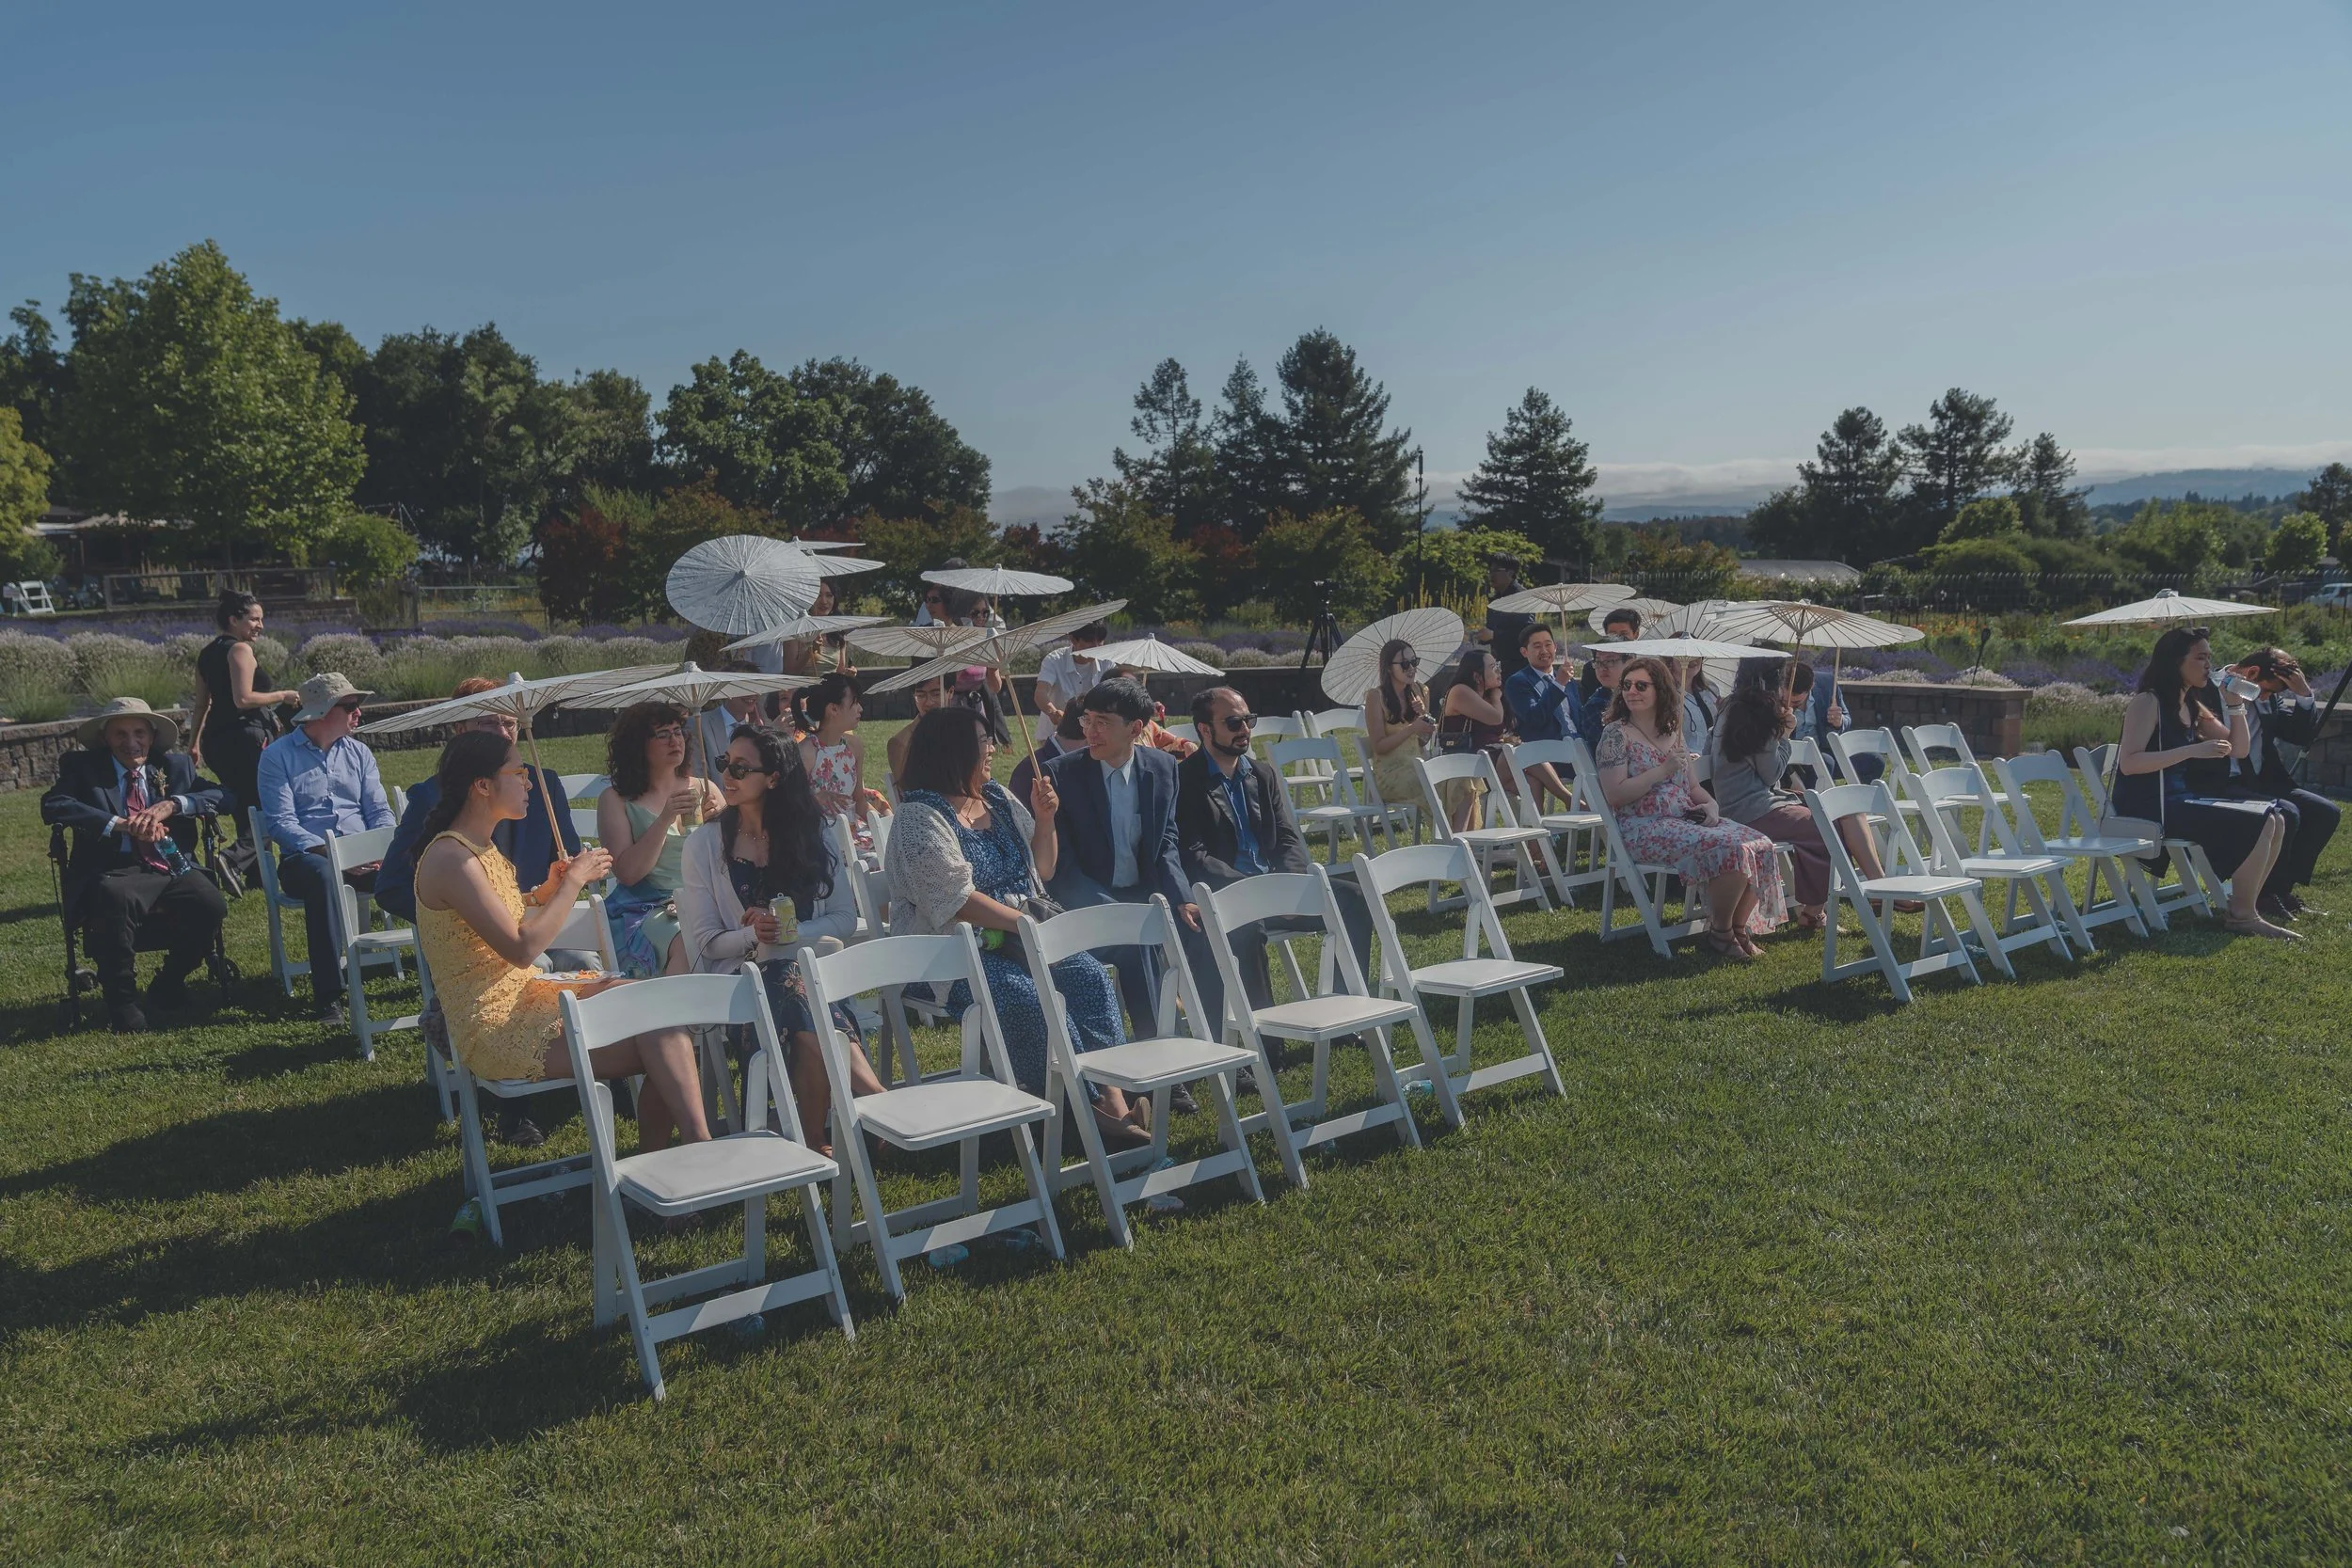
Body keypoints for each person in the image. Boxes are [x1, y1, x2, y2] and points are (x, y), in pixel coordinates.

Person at [411, 730, 709, 1152]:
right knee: (660, 1040)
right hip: (494, 1024)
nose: (529, 782)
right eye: (518, 772)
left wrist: (544, 892)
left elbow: (500, 916)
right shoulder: (452, 859)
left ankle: (673, 1160)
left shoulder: (477, 848)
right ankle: (692, 1153)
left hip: (527, 996)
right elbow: (521, 947)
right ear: (482, 786)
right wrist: (572, 882)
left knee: (656, 1006)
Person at [885, 705, 1151, 1150]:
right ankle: (1075, 1110)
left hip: (1024, 938)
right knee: (1030, 1000)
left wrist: (1045, 820)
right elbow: (957, 902)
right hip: (954, 953)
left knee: (1089, 979)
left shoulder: (998, 800)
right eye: (981, 739)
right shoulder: (919, 819)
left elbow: (1041, 870)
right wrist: (1027, 924)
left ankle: (1113, 1102)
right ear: (952, 750)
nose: (991, 747)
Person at [677, 723, 882, 1153]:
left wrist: (791, 933)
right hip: (742, 988)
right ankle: (877, 1105)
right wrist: (754, 934)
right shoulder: (704, 844)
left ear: (773, 777)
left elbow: (845, 918)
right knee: (799, 993)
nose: (726, 777)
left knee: (801, 996)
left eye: (740, 767)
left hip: (813, 978)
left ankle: (813, 1140)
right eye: (723, 765)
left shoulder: (814, 832)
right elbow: (708, 944)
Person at [1176, 686, 1376, 1033]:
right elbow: (1195, 856)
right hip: (1230, 894)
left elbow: (1286, 838)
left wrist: (1292, 883)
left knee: (1355, 900)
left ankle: (1348, 1018)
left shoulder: (1261, 774)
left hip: (1276, 888)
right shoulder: (1185, 781)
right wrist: (1260, 890)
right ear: (1204, 730)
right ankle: (1267, 1040)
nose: (1245, 730)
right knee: (1248, 927)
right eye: (1234, 722)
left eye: (1248, 720)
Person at [40, 697, 230, 1032]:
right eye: (120, 734)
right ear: (105, 739)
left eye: (139, 733)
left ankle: (170, 981)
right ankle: (122, 1000)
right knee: (114, 896)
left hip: (170, 863)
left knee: (211, 904)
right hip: (115, 866)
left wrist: (174, 803)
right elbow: (54, 804)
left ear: (153, 736)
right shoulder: (84, 770)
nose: (131, 743)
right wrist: (119, 823)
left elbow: (225, 796)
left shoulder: (175, 768)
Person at [1594, 655, 1788, 959]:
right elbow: (1615, 795)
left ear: (1660, 689)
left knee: (1759, 843)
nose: (1632, 691)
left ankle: (1737, 928)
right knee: (1730, 848)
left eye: (1641, 685)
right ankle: (1720, 933)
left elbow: (1694, 788)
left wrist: (1711, 807)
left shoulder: (1673, 730)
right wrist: (1662, 770)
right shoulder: (1616, 735)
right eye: (1627, 685)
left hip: (1685, 818)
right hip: (1642, 826)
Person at [2112, 626, 2294, 940]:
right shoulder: (2148, 702)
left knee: (2275, 815)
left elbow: (2238, 749)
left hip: (2179, 799)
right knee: (2263, 820)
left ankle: (2244, 909)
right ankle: (2243, 915)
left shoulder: (2192, 705)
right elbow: (2129, 763)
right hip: (2149, 805)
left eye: (2209, 657)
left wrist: (2235, 705)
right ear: (2175, 662)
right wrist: (2192, 750)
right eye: (2200, 657)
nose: (2209, 664)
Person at [1043, 677, 1199, 1035]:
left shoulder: (1162, 768)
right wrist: (1114, 910)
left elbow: (1166, 844)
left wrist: (1183, 898)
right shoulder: (1062, 774)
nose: (1091, 732)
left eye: (1103, 723)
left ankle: (1227, 1039)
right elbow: (1063, 869)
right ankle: (1162, 1048)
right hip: (1083, 898)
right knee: (1136, 937)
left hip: (1145, 892)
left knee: (1203, 928)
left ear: (1136, 729)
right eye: (1087, 721)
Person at [376, 678, 581, 926]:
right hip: (480, 944)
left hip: (544, 921)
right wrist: (462, 920)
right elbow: (392, 888)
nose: (504, 734)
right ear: (460, 729)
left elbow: (567, 858)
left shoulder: (543, 785)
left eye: (509, 723)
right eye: (489, 723)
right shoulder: (430, 796)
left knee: (585, 960)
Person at [256, 673, 397, 1022]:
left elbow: (379, 810)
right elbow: (282, 824)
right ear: (321, 713)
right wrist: (338, 857)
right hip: (306, 861)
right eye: (350, 706)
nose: (359, 713)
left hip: (366, 857)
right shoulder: (277, 757)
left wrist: (379, 849)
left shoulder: (360, 753)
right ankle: (329, 996)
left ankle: (437, 969)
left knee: (418, 873)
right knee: (323, 877)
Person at [1706, 658, 1843, 932]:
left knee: (1840, 816)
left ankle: (1847, 897)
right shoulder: (1759, 712)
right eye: (1782, 680)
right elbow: (1771, 774)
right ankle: (1813, 913)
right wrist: (1785, 735)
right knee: (1826, 827)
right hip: (1752, 809)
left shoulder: (1730, 706)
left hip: (1740, 802)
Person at [596, 701, 724, 976]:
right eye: (662, 734)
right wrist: (665, 818)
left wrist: (723, 821)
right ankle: (680, 1017)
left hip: (708, 898)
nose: (674, 740)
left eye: (678, 731)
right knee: (687, 938)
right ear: (638, 745)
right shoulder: (616, 800)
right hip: (650, 907)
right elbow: (628, 873)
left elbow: (734, 855)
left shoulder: (705, 788)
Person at [2220, 647, 2337, 922]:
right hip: (2226, 780)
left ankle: (2281, 891)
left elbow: (2299, 735)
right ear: (2251, 673)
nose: (2267, 697)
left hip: (2263, 779)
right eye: (2268, 691)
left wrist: (2304, 695)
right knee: (2287, 813)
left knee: (2325, 813)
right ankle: (2262, 896)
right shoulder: (2210, 690)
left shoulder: (2265, 697)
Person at [187, 589, 299, 852]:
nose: (260, 625)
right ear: (233, 620)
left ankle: (254, 876)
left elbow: (202, 703)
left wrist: (194, 744)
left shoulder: (206, 654)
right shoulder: (240, 649)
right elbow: (243, 699)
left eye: (261, 619)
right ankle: (234, 858)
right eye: (254, 619)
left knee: (244, 806)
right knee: (267, 805)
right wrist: (283, 695)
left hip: (216, 739)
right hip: (245, 739)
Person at [1503, 623, 1583, 811]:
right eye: (1537, 646)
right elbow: (1534, 718)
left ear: (1556, 647)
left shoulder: (1567, 678)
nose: (1544, 650)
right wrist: (1558, 686)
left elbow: (1577, 715)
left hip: (1578, 745)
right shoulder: (1518, 682)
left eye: (1548, 644)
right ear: (1525, 652)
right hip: (1547, 754)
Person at [1437, 648, 1513, 832]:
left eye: (1498, 666)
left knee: (1531, 777)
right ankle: (1569, 801)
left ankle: (1535, 846)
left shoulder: (1485, 695)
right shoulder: (1460, 691)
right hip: (1461, 765)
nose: (1499, 671)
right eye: (1493, 667)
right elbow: (1495, 718)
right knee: (1520, 761)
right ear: (1477, 676)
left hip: (1484, 761)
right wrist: (1496, 697)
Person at [1363, 638, 1437, 818]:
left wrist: (1424, 719)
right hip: (1392, 773)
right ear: (1389, 668)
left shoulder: (1420, 691)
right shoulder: (1376, 697)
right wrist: (1412, 728)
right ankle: (1452, 841)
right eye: (1404, 664)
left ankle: (1461, 840)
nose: (1411, 668)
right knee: (1443, 784)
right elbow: (1379, 746)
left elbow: (1423, 741)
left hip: (1419, 764)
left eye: (1414, 662)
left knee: (1463, 780)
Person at [796, 673, 870, 820]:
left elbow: (859, 800)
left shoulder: (854, 746)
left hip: (852, 832)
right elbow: (791, 805)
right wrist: (816, 799)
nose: (860, 709)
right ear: (833, 709)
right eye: (854, 703)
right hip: (819, 835)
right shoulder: (807, 752)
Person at [695, 661, 767, 783]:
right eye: (745, 687)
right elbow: (698, 776)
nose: (753, 693)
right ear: (726, 689)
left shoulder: (758, 729)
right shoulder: (699, 723)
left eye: (755, 686)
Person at [1034, 621, 1111, 724]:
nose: (1096, 646)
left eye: (1100, 641)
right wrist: (1053, 713)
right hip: (1056, 731)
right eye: (1090, 641)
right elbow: (1040, 693)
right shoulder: (1054, 660)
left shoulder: (1107, 662)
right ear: (1073, 639)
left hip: (1092, 733)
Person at [1482, 555, 1536, 681]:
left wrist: (1494, 635)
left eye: (1495, 570)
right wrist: (1481, 636)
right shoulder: (1496, 599)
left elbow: (1526, 633)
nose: (1491, 575)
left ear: (1510, 573)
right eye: (1490, 571)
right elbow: (1492, 630)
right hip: (1499, 667)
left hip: (1519, 668)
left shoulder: (1521, 597)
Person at [886, 675, 946, 788]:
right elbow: (909, 791)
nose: (929, 702)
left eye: (936, 694)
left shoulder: (962, 732)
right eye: (921, 695)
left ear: (951, 692)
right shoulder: (901, 743)